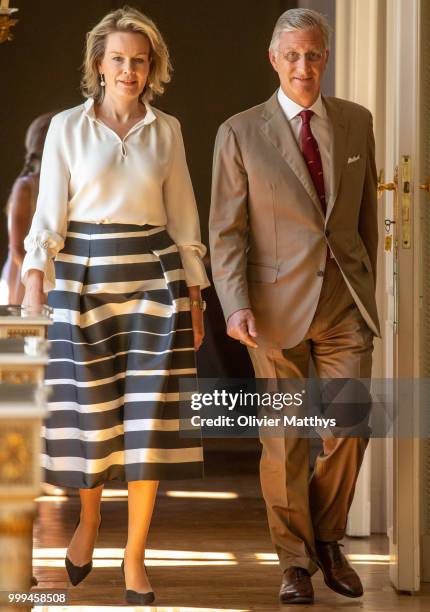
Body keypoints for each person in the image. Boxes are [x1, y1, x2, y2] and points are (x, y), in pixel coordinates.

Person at [22, 6, 209, 605]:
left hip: (156, 281)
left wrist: (196, 293)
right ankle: (89, 522)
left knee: (148, 423)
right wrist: (33, 279)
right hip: (82, 280)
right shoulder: (66, 129)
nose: (129, 70)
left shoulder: (169, 130)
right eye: (119, 60)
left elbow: (184, 219)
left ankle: (134, 557)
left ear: (152, 67)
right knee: (94, 419)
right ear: (98, 66)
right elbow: (48, 215)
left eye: (140, 60)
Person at [209, 8, 379, 605]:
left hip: (343, 304)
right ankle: (295, 563)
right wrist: (233, 305)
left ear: (325, 58)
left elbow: (361, 224)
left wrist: (367, 294)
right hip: (272, 308)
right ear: (273, 59)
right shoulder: (239, 131)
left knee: (349, 425)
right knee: (284, 439)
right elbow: (226, 232)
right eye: (292, 55)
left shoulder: (358, 123)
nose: (303, 66)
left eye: (313, 54)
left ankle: (329, 538)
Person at [1, 113, 53, 305]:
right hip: (26, 275)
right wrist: (36, 280)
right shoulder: (26, 186)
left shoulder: (60, 185)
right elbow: (16, 248)